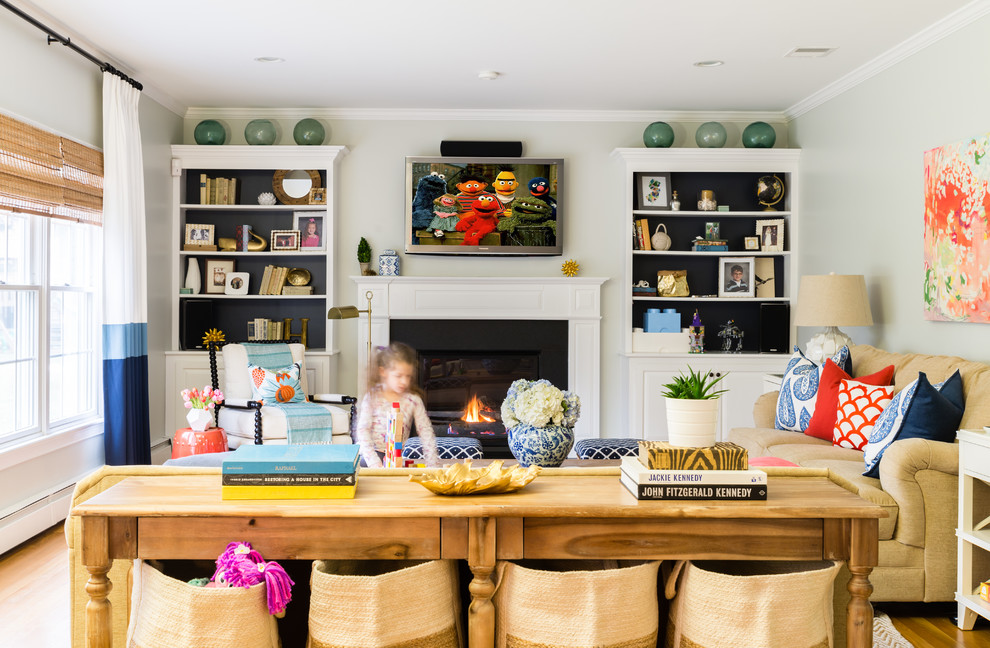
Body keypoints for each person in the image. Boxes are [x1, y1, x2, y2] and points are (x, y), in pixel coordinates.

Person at [355, 342, 439, 468]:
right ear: (383, 372)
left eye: (408, 376)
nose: (404, 381)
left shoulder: (413, 400)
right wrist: (375, 463)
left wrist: (433, 465)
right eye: (398, 376)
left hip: (397, 457)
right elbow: (362, 431)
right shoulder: (372, 397)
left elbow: (426, 432)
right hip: (370, 457)